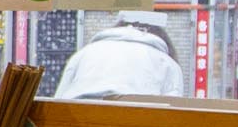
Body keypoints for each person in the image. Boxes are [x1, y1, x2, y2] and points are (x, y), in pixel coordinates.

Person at [51, 12, 185, 100]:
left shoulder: (85, 53)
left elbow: (58, 100)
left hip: (76, 124)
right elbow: (174, 112)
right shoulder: (167, 63)